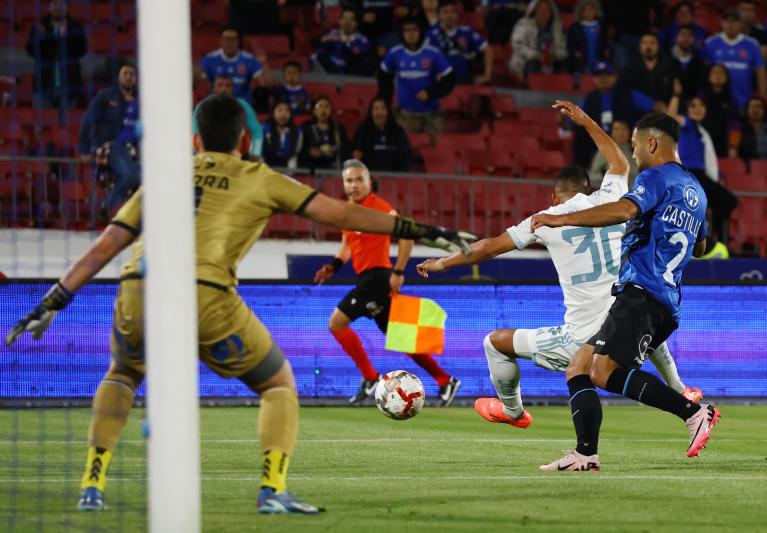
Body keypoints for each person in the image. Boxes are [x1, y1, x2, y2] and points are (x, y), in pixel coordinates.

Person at [5, 94, 475, 514]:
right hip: (205, 293)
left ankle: (92, 486)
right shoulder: (259, 176)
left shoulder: (165, 176)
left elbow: (107, 243)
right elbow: (343, 213)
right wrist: (423, 231)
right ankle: (272, 490)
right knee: (278, 384)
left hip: (136, 289)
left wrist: (54, 299)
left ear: (195, 139)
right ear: (245, 141)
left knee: (123, 373)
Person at [417, 101, 702, 432]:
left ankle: (513, 411)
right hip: (626, 312)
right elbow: (619, 162)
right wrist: (586, 121)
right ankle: (681, 389)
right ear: (589, 187)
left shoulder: (546, 220)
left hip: (581, 333)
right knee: (643, 325)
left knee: (495, 342)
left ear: (555, 198)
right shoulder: (611, 197)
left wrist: (442, 262)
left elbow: (486, 248)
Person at [531, 112, 720, 472]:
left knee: (602, 372)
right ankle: (585, 455)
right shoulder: (696, 190)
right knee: (578, 368)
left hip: (641, 292)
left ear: (651, 143)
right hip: (665, 298)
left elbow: (623, 209)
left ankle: (693, 412)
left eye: (634, 146)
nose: (632, 155)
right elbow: (700, 247)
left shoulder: (655, 177)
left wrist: (560, 218)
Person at [314, 160, 462, 405]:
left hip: (378, 278)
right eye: (349, 180)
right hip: (369, 279)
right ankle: (445, 380)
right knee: (401, 337)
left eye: (359, 179)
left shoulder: (379, 207)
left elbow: (407, 236)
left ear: (369, 182)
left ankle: (371, 377)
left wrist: (399, 271)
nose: (354, 185)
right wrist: (332, 267)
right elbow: (345, 248)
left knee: (336, 323)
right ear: (343, 184)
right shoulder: (346, 212)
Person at [667, 92, 738, 245]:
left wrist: (718, 176)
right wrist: (676, 95)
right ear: (687, 110)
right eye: (693, 106)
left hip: (699, 175)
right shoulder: (686, 126)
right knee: (726, 201)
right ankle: (707, 237)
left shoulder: (702, 131)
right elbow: (670, 117)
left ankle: (709, 238)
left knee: (726, 201)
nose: (698, 109)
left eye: (701, 105)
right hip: (689, 175)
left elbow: (707, 160)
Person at [378, 18, 455, 139]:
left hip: (432, 115)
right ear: (402, 33)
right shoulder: (394, 53)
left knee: (436, 153)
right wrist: (387, 100)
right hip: (405, 115)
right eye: (407, 30)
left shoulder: (434, 53)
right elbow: (383, 76)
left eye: (415, 30)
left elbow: (450, 79)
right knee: (406, 152)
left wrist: (431, 92)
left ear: (421, 32)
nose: (411, 34)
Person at [78, 64, 140, 212]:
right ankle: (107, 204)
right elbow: (88, 121)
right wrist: (84, 149)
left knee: (143, 180)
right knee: (131, 176)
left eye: (132, 74)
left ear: (136, 79)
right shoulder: (105, 96)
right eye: (125, 73)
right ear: (118, 77)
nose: (128, 77)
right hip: (111, 146)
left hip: (134, 149)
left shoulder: (142, 100)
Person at [572, 62, 637, 168]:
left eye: (607, 75)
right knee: (580, 131)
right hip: (597, 146)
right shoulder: (590, 98)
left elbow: (653, 105)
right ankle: (583, 170)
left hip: (625, 144)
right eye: (599, 76)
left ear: (615, 77)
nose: (603, 79)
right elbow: (574, 116)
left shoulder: (627, 94)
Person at [25, 0, 87, 112]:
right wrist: (43, 38)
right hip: (43, 88)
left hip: (69, 89)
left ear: (67, 7)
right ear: (49, 7)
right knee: (43, 127)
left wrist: (65, 37)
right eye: (54, 4)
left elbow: (81, 51)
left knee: (66, 129)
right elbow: (30, 51)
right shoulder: (40, 26)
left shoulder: (75, 27)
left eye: (61, 4)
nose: (57, 7)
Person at [704, 9, 767, 110]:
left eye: (734, 21)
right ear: (722, 23)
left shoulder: (752, 44)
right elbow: (705, 72)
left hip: (744, 99)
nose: (730, 24)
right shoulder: (711, 43)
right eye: (727, 21)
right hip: (716, 100)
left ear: (741, 24)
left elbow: (760, 72)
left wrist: (762, 97)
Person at [193, 75, 263, 161]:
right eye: (220, 85)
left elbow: (257, 131)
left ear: (232, 88)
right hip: (207, 154)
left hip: (236, 154)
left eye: (227, 85)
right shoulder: (202, 106)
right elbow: (196, 132)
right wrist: (197, 155)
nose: (224, 89)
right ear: (213, 87)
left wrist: (255, 154)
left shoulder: (243, 106)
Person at [426, 0, 493, 85]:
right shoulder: (431, 34)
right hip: (440, 77)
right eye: (445, 12)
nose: (449, 16)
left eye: (453, 12)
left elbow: (488, 50)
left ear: (458, 15)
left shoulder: (467, 31)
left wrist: (487, 75)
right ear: (439, 15)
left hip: (464, 77)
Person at [198, 25, 270, 102]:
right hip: (216, 104)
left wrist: (263, 64)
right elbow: (198, 85)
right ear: (221, 41)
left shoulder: (249, 59)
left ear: (238, 41)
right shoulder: (209, 59)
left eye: (233, 39)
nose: (229, 43)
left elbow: (265, 83)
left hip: (242, 104)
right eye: (226, 39)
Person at [619, 32, 678, 115]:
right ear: (640, 46)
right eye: (645, 43)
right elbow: (624, 93)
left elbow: (675, 91)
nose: (648, 46)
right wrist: (651, 104)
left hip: (663, 116)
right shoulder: (629, 69)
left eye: (652, 43)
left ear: (658, 46)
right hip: (636, 117)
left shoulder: (669, 67)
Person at [509, 0, 568, 79]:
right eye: (540, 9)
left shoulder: (557, 27)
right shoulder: (524, 24)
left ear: (551, 12)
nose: (544, 12)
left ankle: (560, 90)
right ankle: (534, 89)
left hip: (550, 61)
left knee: (563, 64)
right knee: (534, 63)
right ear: (534, 11)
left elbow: (563, 47)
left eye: (547, 9)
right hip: (526, 61)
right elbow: (518, 45)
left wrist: (556, 55)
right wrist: (536, 55)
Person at [352, 97, 412, 172]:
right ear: (371, 112)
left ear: (388, 112)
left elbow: (405, 157)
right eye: (376, 108)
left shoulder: (398, 131)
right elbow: (356, 155)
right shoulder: (363, 131)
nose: (380, 112)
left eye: (383, 108)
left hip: (394, 178)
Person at [312, 7, 373, 76]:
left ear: (357, 23)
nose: (347, 22)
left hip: (350, 77)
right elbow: (315, 43)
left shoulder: (362, 40)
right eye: (345, 18)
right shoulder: (332, 34)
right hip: (328, 75)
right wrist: (329, 38)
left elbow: (361, 58)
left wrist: (346, 46)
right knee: (316, 56)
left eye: (351, 19)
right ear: (339, 21)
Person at [299, 96, 351, 169]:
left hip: (333, 166)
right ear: (314, 111)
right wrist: (309, 151)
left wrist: (335, 149)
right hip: (311, 165)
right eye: (320, 107)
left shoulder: (338, 127)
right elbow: (299, 147)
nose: (323, 110)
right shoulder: (306, 127)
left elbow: (346, 148)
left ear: (331, 110)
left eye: (327, 107)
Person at [699, 64, 740, 157]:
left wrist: (733, 146)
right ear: (708, 77)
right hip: (703, 142)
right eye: (715, 72)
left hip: (724, 144)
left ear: (727, 78)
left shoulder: (732, 100)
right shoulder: (701, 98)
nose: (718, 75)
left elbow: (735, 125)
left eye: (722, 73)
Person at [566, 0, 610, 74]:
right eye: (585, 10)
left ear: (596, 11)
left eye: (591, 9)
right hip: (582, 62)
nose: (588, 13)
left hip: (599, 60)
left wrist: (606, 49)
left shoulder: (601, 25)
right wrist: (574, 52)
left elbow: (605, 41)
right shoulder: (575, 27)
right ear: (581, 12)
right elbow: (569, 44)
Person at [589, 119, 637, 187]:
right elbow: (594, 174)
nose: (620, 133)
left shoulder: (637, 150)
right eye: (616, 129)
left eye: (624, 129)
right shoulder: (605, 150)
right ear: (611, 132)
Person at [738, 96, 767, 161]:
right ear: (747, 110)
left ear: (764, 110)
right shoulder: (739, 130)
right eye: (753, 107)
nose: (756, 110)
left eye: (759, 107)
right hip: (747, 167)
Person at [671, 25, 707, 100]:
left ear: (694, 39)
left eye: (689, 35)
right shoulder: (667, 60)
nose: (686, 38)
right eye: (683, 35)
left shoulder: (699, 64)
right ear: (676, 38)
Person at [263, 102, 303, 168]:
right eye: (280, 110)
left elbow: (297, 151)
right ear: (273, 113)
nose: (283, 114)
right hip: (267, 165)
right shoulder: (264, 129)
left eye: (287, 111)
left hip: (288, 167)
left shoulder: (297, 131)